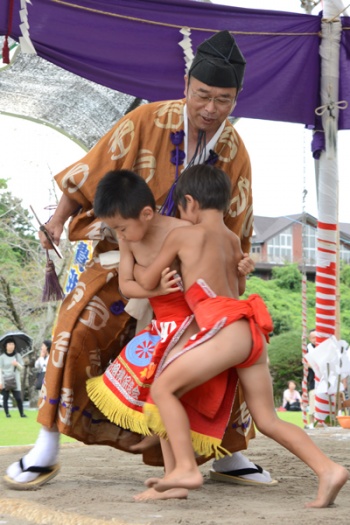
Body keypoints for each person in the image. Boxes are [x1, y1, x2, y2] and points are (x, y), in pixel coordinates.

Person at [5, 30, 272, 489]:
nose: (210, 108)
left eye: (223, 99)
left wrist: (236, 270)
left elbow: (237, 225)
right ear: (187, 85)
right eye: (203, 95)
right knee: (75, 320)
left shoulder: (235, 152)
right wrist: (53, 223)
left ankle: (227, 452)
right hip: (124, 248)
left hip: (193, 272)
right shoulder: (146, 120)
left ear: (236, 98)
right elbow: (86, 176)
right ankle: (47, 443)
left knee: (228, 332)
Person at [134, 164, 349, 508]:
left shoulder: (182, 235)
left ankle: (186, 469)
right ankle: (328, 469)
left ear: (189, 202)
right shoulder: (232, 240)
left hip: (224, 329)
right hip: (250, 332)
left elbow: (146, 283)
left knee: (161, 388)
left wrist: (125, 254)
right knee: (267, 420)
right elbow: (236, 289)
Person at [86, 169, 251, 500]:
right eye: (115, 229)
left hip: (190, 321)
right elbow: (127, 284)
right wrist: (155, 286)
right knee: (157, 396)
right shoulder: (127, 238)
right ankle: (173, 477)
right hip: (160, 322)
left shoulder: (182, 230)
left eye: (122, 227)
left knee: (167, 393)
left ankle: (181, 474)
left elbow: (203, 275)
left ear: (146, 213)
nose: (121, 234)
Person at [0, 337, 27, 418]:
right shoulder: (2, 357)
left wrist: (16, 364)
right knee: (5, 398)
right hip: (5, 379)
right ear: (6, 346)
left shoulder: (17, 355)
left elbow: (22, 368)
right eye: (9, 344)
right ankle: (7, 414)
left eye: (13, 344)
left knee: (18, 398)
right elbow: (0, 370)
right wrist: (0, 382)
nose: (11, 346)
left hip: (15, 380)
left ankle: (22, 414)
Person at [306, 329, 316, 426]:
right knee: (312, 397)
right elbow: (305, 362)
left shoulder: (324, 347)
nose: (315, 340)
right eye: (313, 337)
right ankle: (312, 422)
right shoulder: (307, 348)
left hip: (324, 377)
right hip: (312, 377)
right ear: (309, 338)